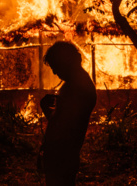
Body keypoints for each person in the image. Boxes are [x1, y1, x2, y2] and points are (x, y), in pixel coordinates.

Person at [40, 41, 96, 186]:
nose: (54, 72)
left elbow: (64, 126)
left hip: (62, 156)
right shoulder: (78, 84)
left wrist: (47, 110)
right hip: (64, 156)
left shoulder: (77, 87)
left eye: (55, 66)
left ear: (65, 62)